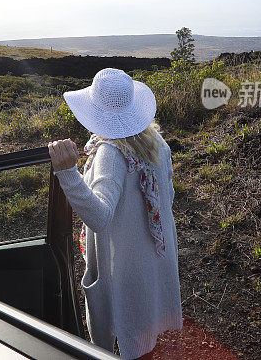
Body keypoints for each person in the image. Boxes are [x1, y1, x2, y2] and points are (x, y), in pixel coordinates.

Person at [47, 68, 182, 360]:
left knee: (123, 334)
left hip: (123, 266)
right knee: (149, 336)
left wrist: (68, 173)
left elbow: (99, 217)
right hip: (150, 260)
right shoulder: (156, 143)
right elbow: (166, 200)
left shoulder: (110, 153)